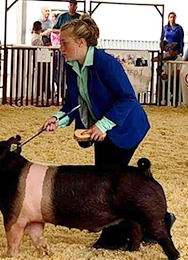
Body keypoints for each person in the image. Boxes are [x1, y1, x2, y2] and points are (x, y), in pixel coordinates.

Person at [42, 14, 152, 249]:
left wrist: (103, 125)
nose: (60, 47)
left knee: (110, 182)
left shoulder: (105, 63)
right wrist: (56, 119)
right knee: (106, 180)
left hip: (124, 128)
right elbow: (72, 104)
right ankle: (147, 225)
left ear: (81, 43)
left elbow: (128, 98)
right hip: (99, 130)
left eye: (64, 43)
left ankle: (120, 234)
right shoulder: (72, 67)